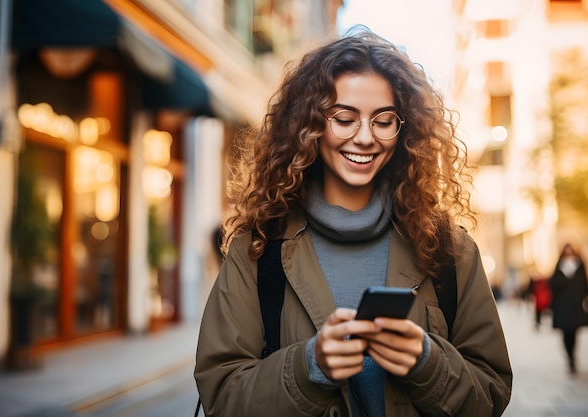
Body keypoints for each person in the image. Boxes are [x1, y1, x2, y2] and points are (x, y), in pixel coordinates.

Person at [194, 28, 512, 417]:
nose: (365, 137)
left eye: (383, 120)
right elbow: (222, 395)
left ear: (405, 128)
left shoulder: (449, 249)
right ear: (309, 124)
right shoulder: (257, 249)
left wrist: (428, 363)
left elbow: (492, 394)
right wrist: (310, 366)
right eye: (344, 118)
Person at [548, 243, 588, 374]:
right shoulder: (559, 266)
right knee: (565, 333)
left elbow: (584, 284)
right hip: (562, 306)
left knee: (574, 332)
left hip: (575, 305)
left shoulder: (579, 265)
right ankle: (569, 357)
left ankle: (573, 357)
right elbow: (553, 284)